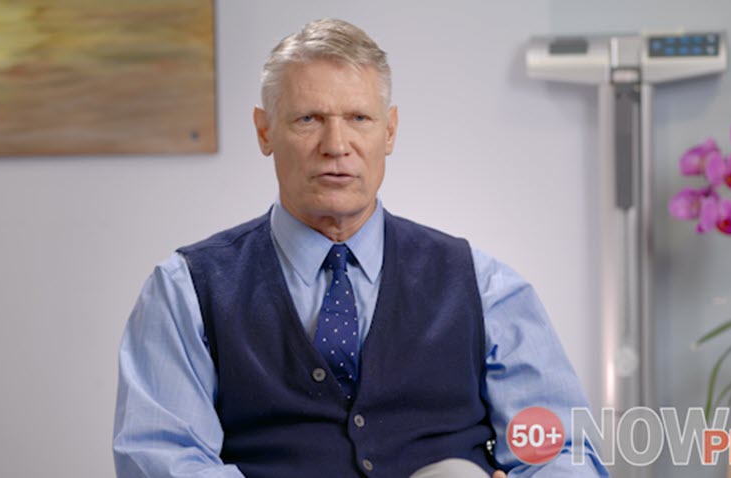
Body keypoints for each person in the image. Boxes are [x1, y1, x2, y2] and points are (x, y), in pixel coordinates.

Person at [113, 18, 608, 478]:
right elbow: (163, 459)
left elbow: (563, 451)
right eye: (308, 118)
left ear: (388, 131)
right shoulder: (185, 291)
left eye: (359, 118)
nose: (336, 144)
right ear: (265, 131)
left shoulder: (485, 288)